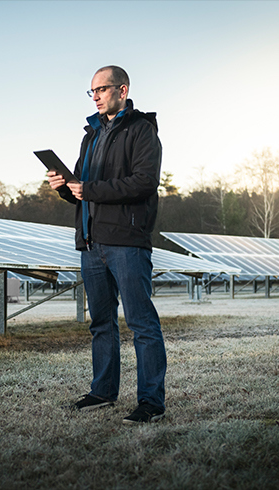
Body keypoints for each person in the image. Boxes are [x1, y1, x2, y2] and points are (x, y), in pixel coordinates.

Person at [48, 65, 167, 423]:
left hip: (127, 242)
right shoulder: (91, 136)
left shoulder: (142, 131)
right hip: (91, 243)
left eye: (102, 89)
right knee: (101, 323)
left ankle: (151, 402)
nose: (96, 96)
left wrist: (92, 189)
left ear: (122, 90)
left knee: (141, 323)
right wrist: (64, 188)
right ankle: (102, 392)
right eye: (92, 91)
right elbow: (82, 193)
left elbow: (145, 182)